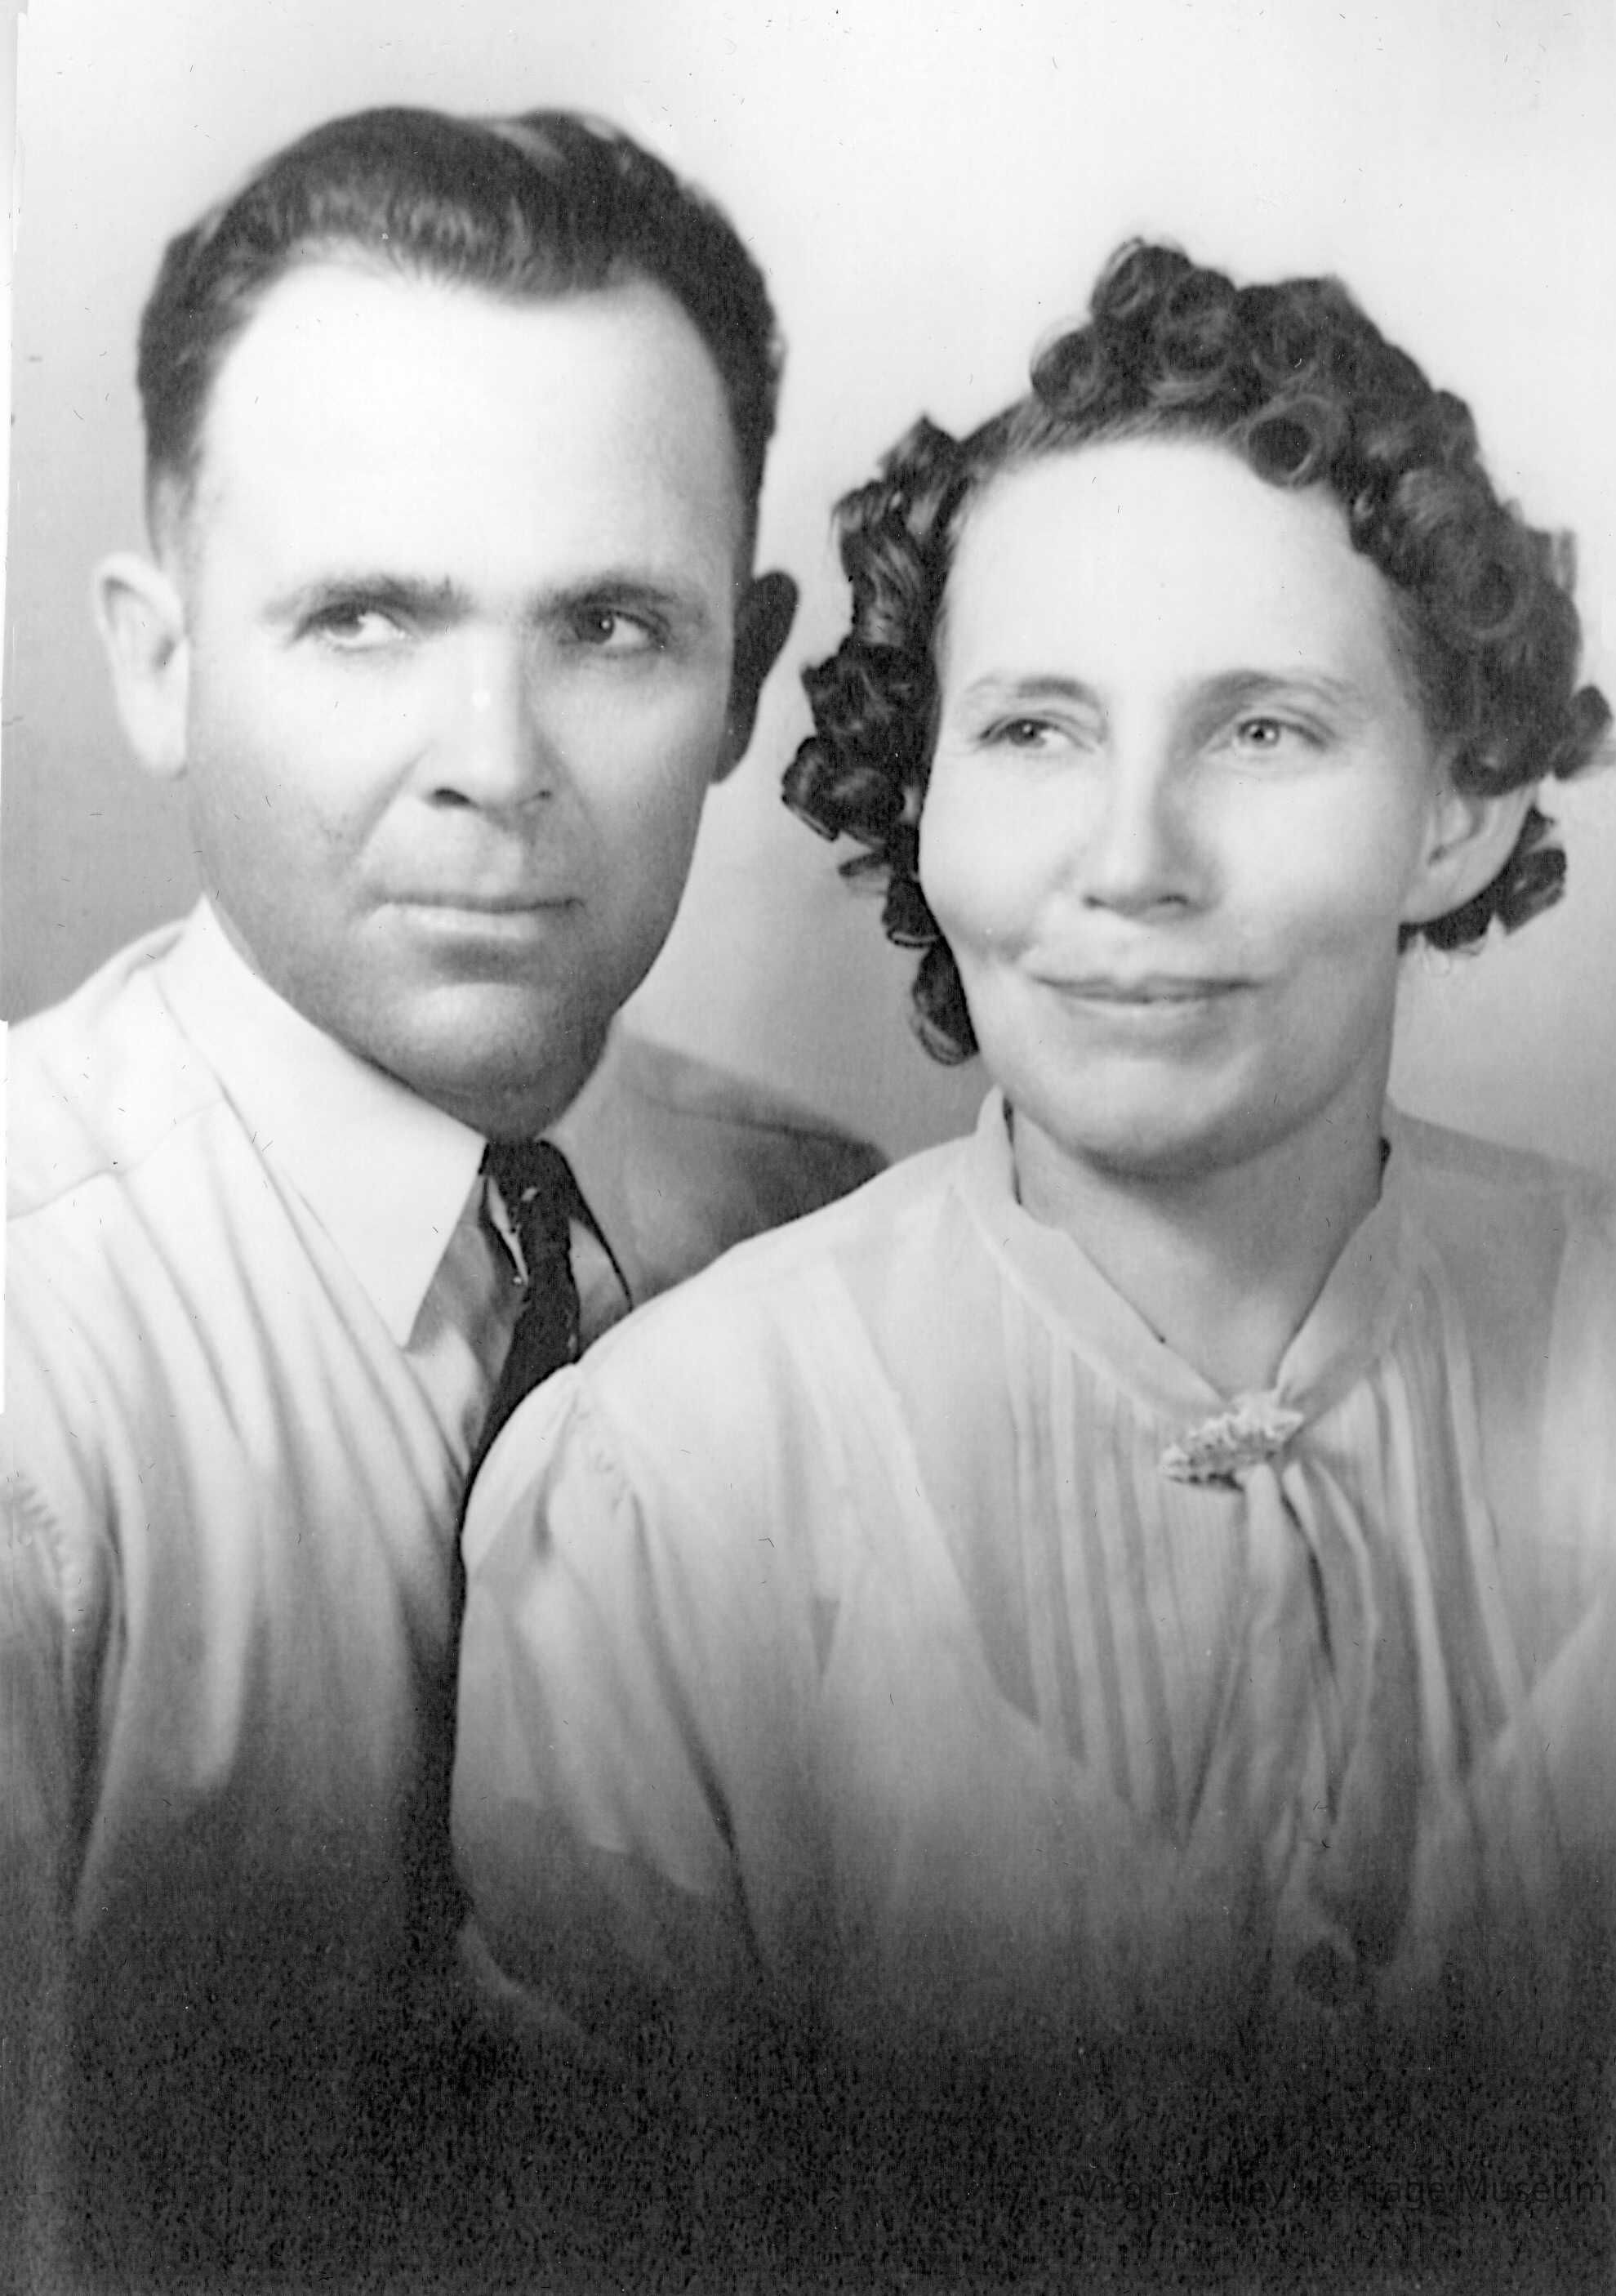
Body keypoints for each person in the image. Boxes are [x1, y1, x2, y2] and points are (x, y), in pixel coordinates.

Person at [452, 242, 1616, 2279]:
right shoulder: (664, 1489)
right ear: (921, 797)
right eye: (1033, 729)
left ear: (1459, 807)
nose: (1130, 859)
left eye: (1263, 729)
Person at [0, 105, 880, 2281]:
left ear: (744, 675)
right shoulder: (30, 1352)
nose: (494, 756)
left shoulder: (828, 1245)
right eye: (366, 617)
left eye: (609, 625)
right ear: (159, 659)